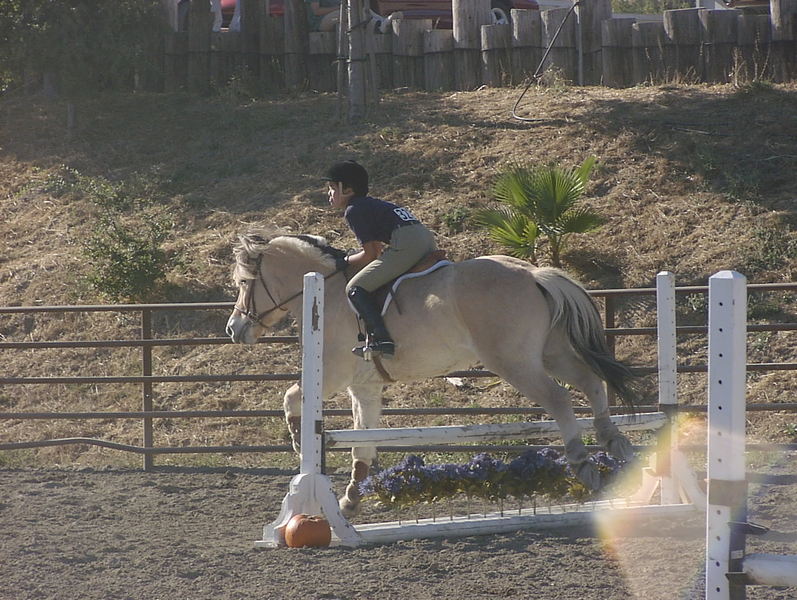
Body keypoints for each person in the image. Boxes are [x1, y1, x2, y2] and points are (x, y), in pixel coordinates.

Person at [324, 160, 438, 358]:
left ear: (348, 190)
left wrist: (344, 262)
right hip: (424, 238)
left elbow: (370, 255)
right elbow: (376, 251)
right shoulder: (370, 204)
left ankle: (382, 340)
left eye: (333, 188)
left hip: (408, 243)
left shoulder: (354, 210)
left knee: (355, 288)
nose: (329, 193)